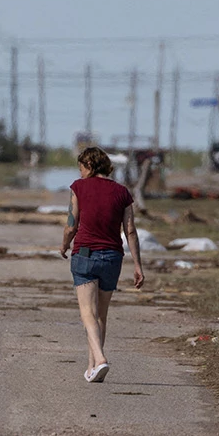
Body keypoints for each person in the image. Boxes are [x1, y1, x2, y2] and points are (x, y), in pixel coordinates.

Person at [60, 147, 145, 383]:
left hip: (85, 255)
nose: (80, 171)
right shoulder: (122, 192)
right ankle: (92, 368)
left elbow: (71, 224)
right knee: (101, 316)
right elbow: (130, 230)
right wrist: (138, 265)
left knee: (87, 313)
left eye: (81, 167)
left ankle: (99, 359)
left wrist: (64, 245)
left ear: (89, 165)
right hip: (112, 258)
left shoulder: (78, 187)